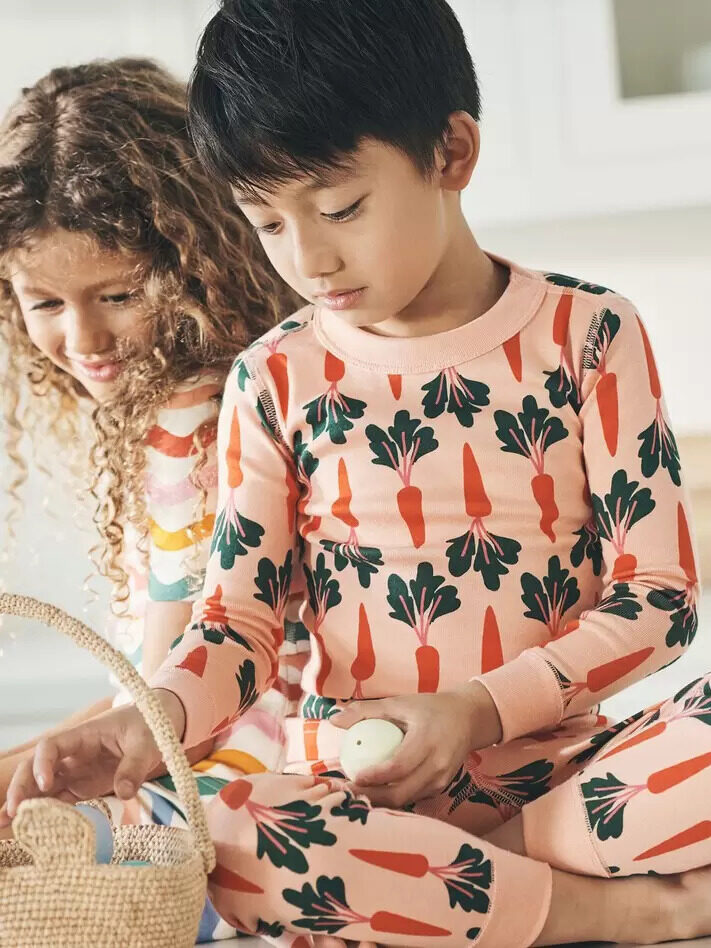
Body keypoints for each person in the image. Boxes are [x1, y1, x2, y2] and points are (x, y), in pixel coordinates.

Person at [3, 5, 709, 946]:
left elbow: (657, 598)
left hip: (571, 776)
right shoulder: (274, 377)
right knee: (230, 836)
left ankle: (478, 883)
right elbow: (237, 625)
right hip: (363, 799)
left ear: (451, 152)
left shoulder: (589, 334)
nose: (310, 260)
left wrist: (476, 711)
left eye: (339, 209)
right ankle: (617, 911)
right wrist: (149, 728)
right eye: (265, 224)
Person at [0, 57, 304, 942]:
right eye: (43, 302)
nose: (82, 337)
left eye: (119, 295)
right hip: (204, 782)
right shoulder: (182, 405)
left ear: (197, 262)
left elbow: (167, 701)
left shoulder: (194, 420)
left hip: (234, 802)